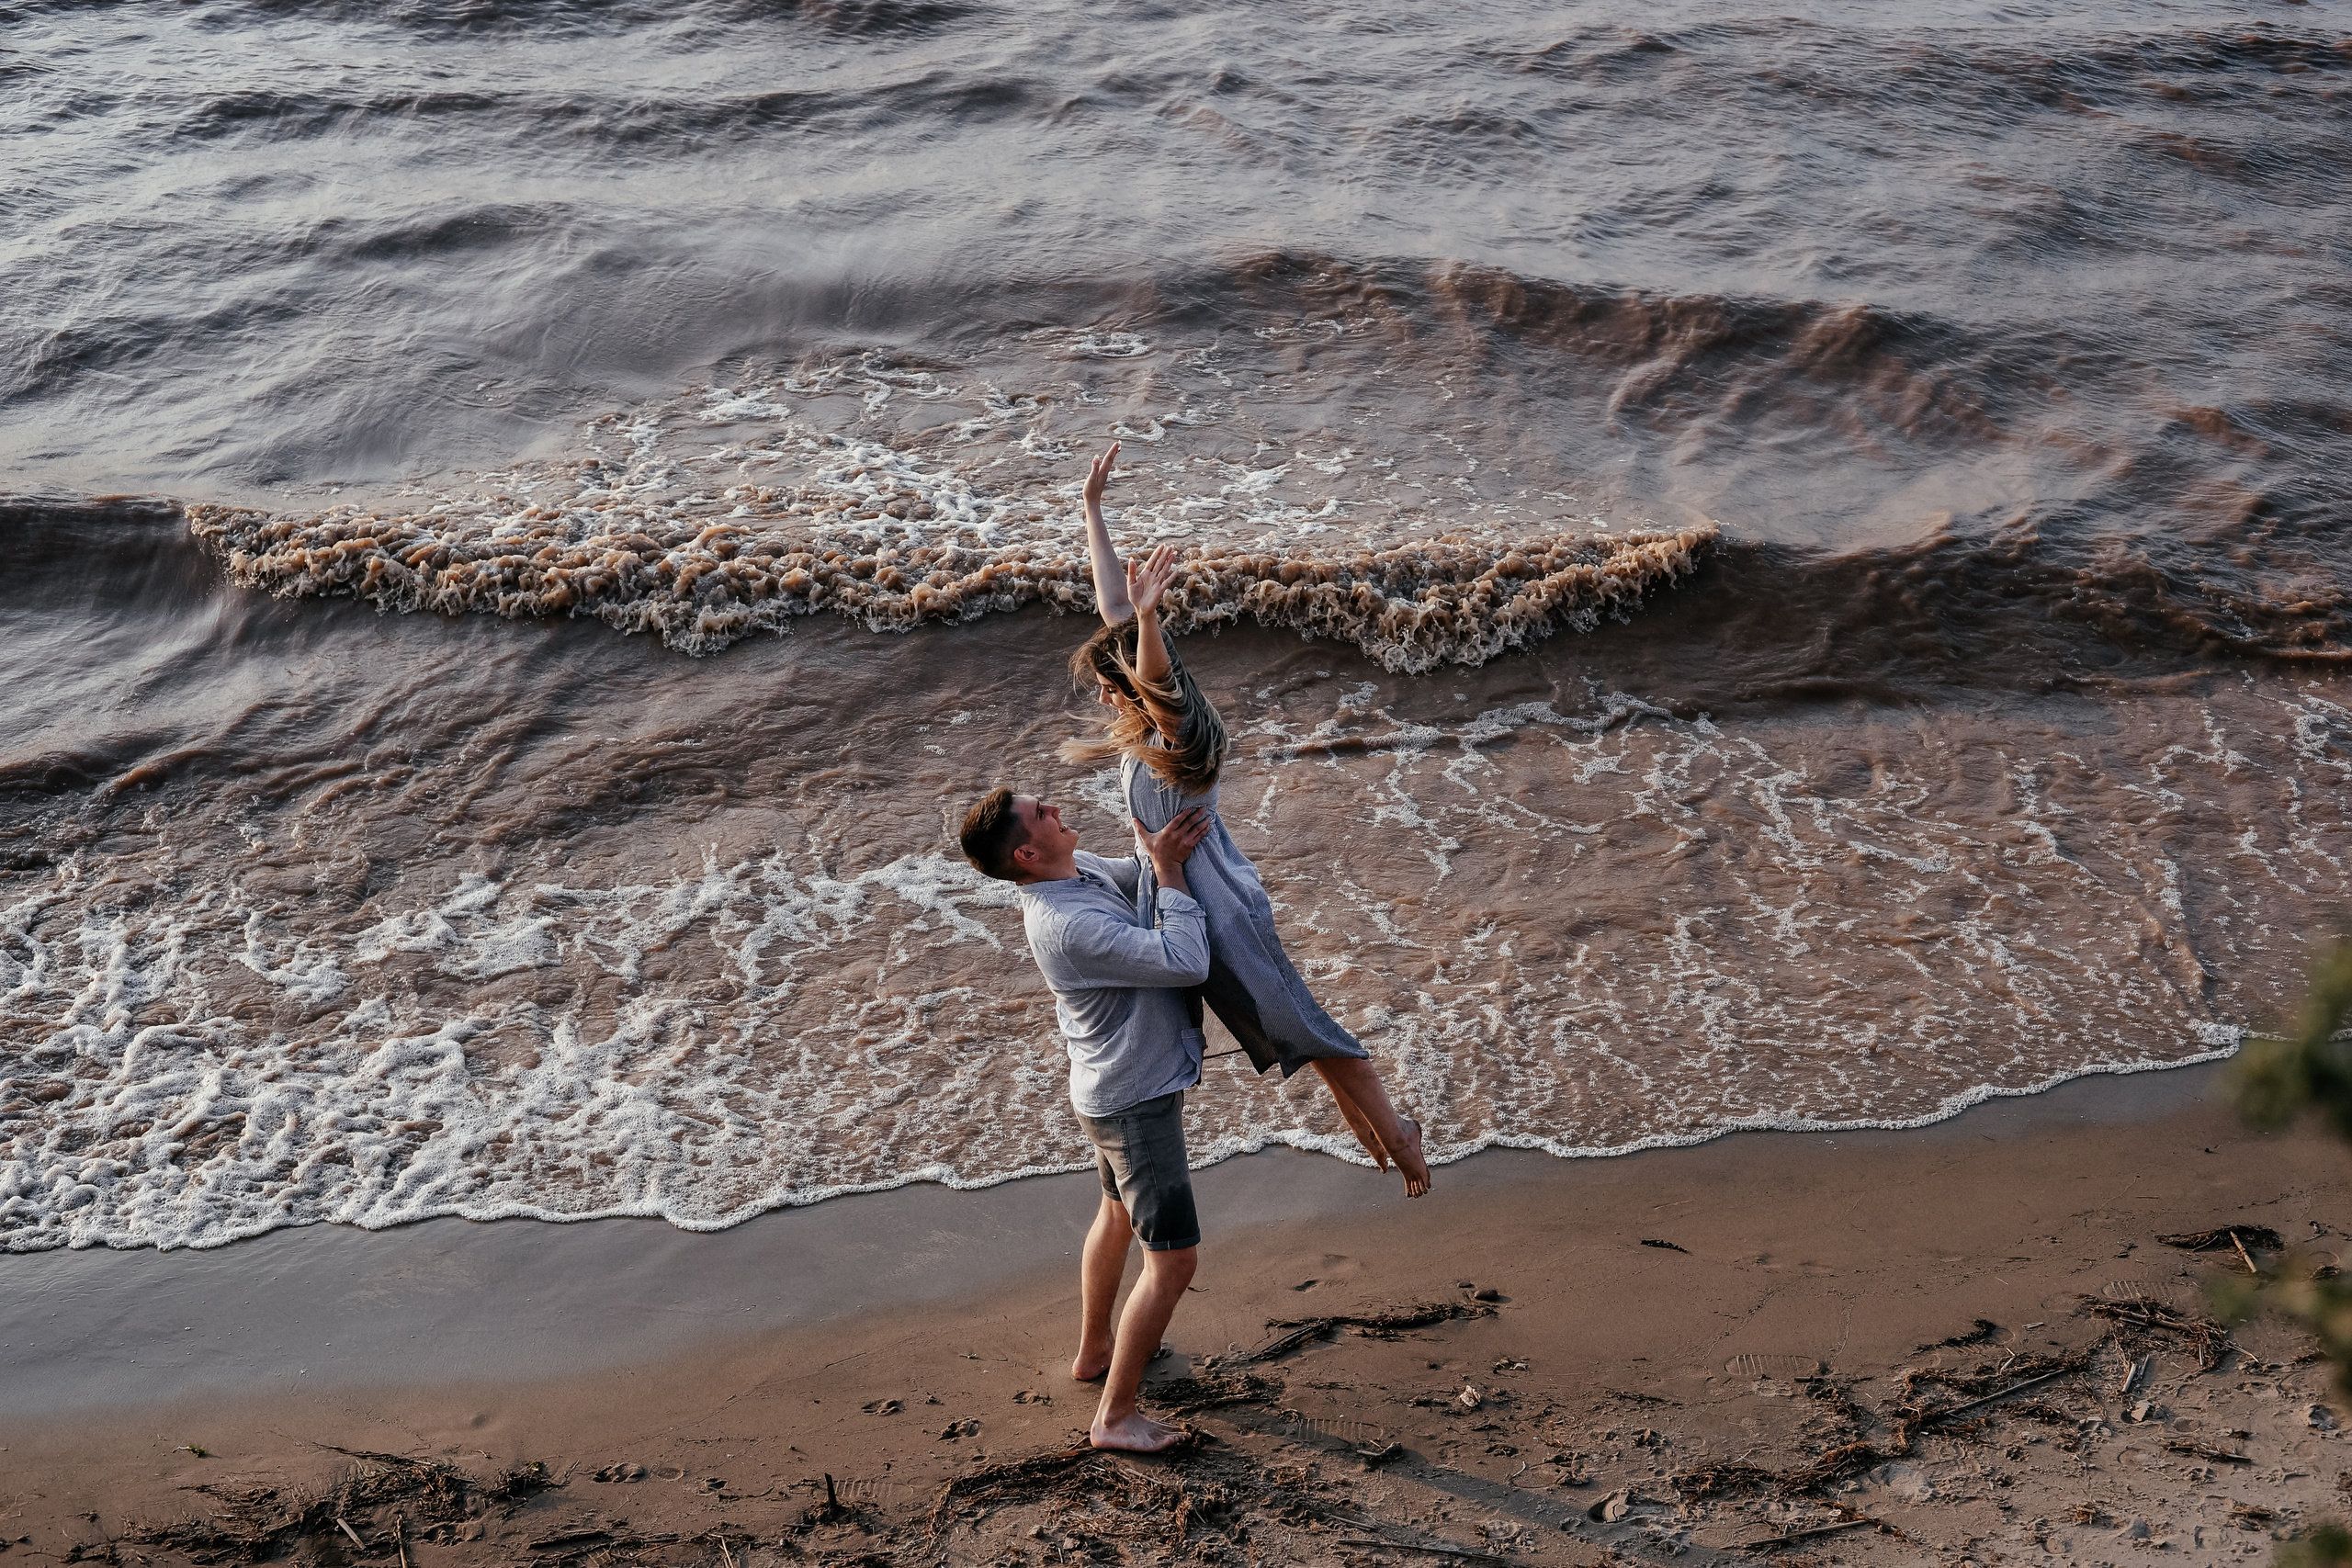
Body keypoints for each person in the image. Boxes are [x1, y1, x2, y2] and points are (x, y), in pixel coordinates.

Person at [1061, 442, 1432, 1198]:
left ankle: (1400, 1133)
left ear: (1134, 689)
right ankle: (1368, 1128)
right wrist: (1091, 509)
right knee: (1296, 1036)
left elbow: (1152, 670)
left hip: (1224, 919)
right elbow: (1116, 615)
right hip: (1188, 915)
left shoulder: (1175, 734)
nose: (1102, 699)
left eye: (1109, 688)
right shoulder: (1147, 733)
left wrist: (1153, 620)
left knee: (1319, 1033)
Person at [959, 784, 1216, 1453]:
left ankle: (1095, 1348)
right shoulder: (1064, 924)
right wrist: (1166, 867)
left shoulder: (1080, 870)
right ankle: (1114, 1416)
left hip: (1106, 1089)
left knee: (1116, 1216)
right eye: (1037, 812)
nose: (1049, 802)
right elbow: (1186, 959)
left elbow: (1138, 879)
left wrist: (1155, 853)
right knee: (1174, 1261)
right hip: (1133, 1102)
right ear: (1025, 851)